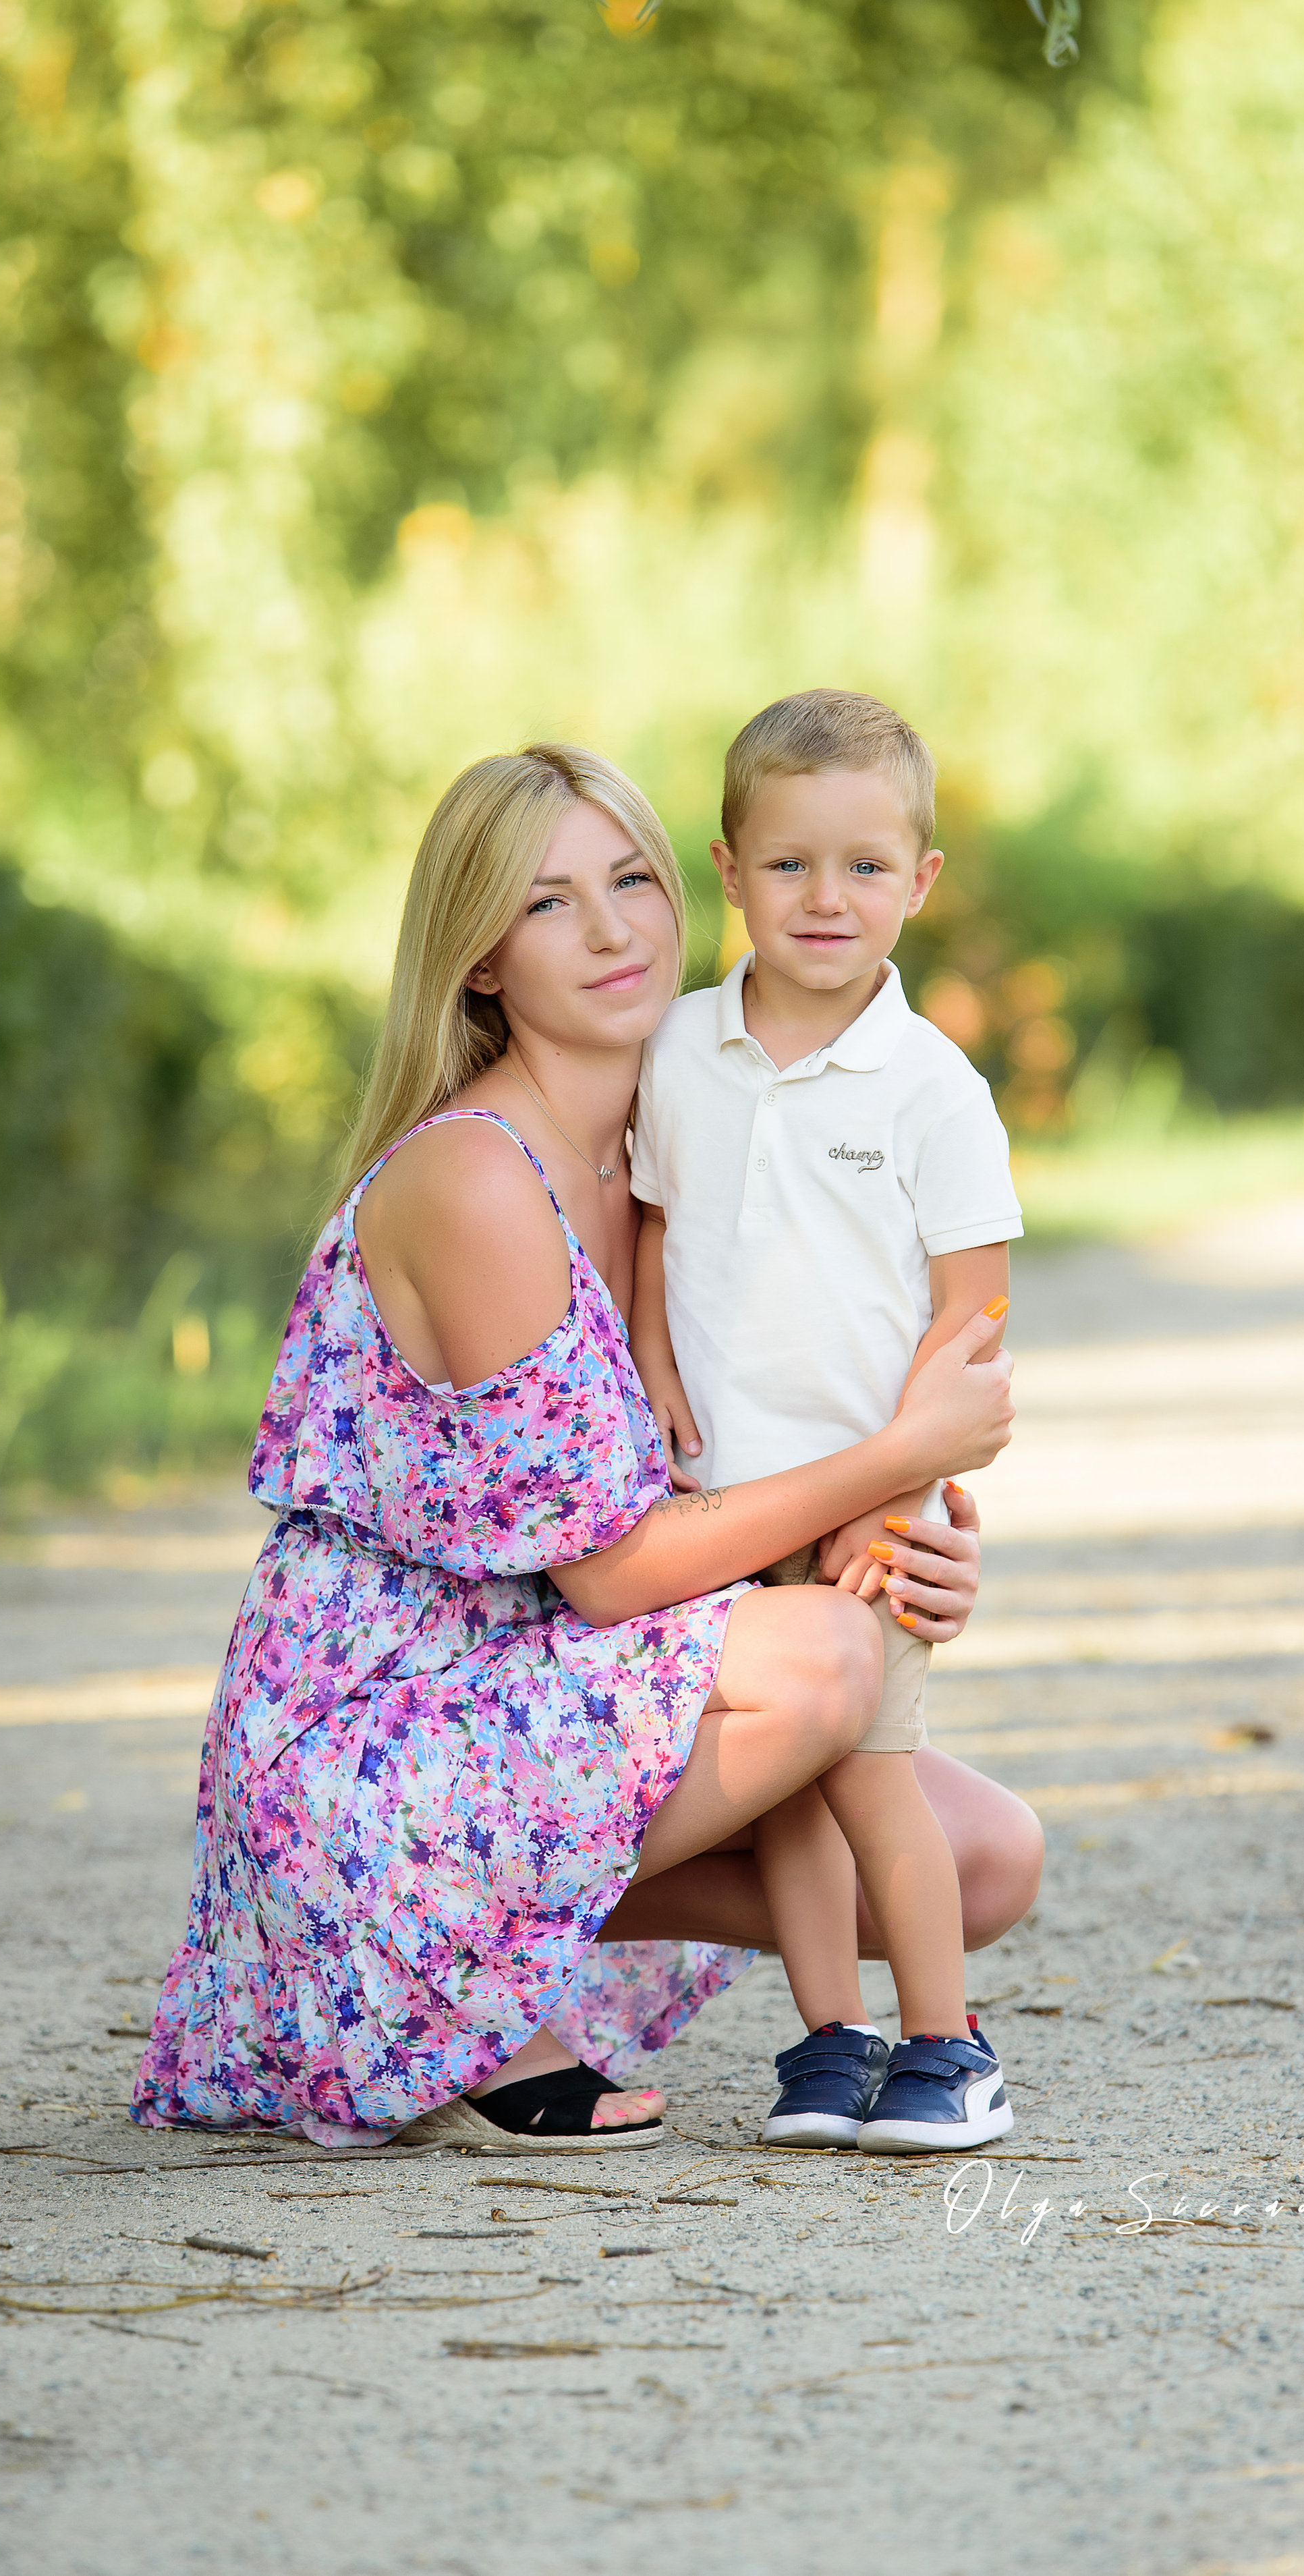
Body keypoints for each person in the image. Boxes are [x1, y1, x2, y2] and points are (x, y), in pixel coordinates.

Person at [133, 741, 1036, 2152]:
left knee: (978, 1857)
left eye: (630, 879)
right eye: (549, 904)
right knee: (822, 1666)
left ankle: (440, 1943)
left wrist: (903, 1531)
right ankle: (405, 1955)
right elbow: (614, 1576)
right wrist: (882, 1464)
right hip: (389, 1720)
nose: (612, 930)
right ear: (481, 958)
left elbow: (773, 1422)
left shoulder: (687, 1127)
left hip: (549, 1679)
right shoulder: (477, 1177)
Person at [629, 690, 1025, 2154]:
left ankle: (946, 2043)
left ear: (918, 883)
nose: (823, 898)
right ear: (726, 870)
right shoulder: (677, 1053)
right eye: (787, 863)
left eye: (865, 867)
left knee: (869, 1781)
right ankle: (826, 2042)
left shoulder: (931, 1091)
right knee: (787, 1794)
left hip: (868, 1512)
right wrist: (656, 1363)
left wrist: (897, 1493)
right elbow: (654, 1233)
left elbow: (968, 1320)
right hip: (723, 1505)